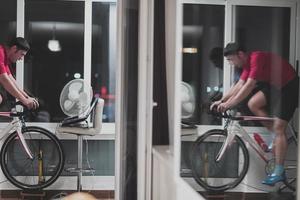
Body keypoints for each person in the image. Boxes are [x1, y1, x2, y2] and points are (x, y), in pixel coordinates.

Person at [210, 42, 299, 186]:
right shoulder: (246, 65)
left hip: (290, 86)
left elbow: (249, 85)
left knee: (279, 128)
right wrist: (222, 99)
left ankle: (279, 171)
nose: (231, 64)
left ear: (240, 54)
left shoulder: (256, 58)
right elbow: (239, 85)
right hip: (276, 86)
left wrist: (228, 105)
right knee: (253, 104)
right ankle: (275, 137)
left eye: (231, 59)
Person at [0, 37, 38, 109]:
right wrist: (24, 100)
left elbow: (10, 78)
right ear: (14, 48)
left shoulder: (5, 57)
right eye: (22, 54)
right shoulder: (0, 53)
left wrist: (26, 97)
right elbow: (4, 80)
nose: (21, 58)